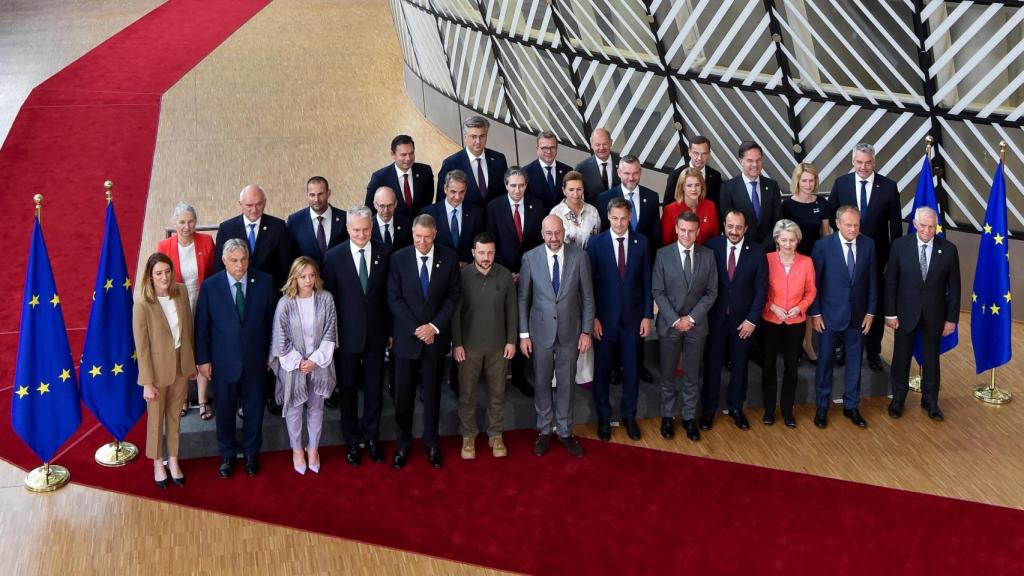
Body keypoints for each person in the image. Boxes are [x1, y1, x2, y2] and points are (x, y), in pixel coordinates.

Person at [195, 239, 275, 478]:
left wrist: (271, 355)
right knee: (225, 409)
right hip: (222, 362)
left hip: (255, 360)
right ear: (223, 261)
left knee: (254, 409)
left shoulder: (265, 282)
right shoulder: (210, 286)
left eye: (243, 259)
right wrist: (203, 360)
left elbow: (271, 323)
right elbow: (202, 327)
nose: (240, 265)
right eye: (234, 261)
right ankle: (227, 454)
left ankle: (251, 452)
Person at [387, 214, 462, 469]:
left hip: (434, 340)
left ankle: (431, 443)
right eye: (418, 237)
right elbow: (394, 298)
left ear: (435, 235)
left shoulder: (449, 258)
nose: (422, 242)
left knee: (431, 395)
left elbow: (453, 298)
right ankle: (403, 444)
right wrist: (415, 328)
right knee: (403, 396)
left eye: (427, 237)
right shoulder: (399, 259)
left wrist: (433, 327)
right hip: (407, 340)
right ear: (412, 234)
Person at [214, 184, 294, 416]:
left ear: (265, 203)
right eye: (249, 205)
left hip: (266, 302)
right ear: (240, 205)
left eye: (258, 204)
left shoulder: (278, 227)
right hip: (235, 301)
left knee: (266, 346)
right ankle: (240, 400)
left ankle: (269, 395)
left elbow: (285, 268)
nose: (254, 209)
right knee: (240, 351)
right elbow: (219, 270)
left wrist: (279, 303)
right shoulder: (228, 228)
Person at [322, 206, 392, 466]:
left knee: (374, 390)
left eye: (365, 229)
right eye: (356, 230)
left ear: (372, 228)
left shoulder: (385, 253)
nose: (361, 234)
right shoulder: (334, 256)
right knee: (348, 389)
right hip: (346, 337)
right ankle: (351, 440)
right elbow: (328, 301)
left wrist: (391, 332)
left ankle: (372, 437)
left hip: (377, 335)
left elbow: (390, 296)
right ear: (347, 229)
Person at [519, 215, 594, 457]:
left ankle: (564, 431)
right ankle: (544, 430)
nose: (554, 238)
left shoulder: (579, 257)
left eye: (558, 233)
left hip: (570, 333)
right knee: (541, 382)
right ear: (542, 234)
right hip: (539, 333)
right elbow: (523, 299)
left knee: (566, 384)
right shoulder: (530, 258)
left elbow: (588, 297)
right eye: (549, 234)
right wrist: (523, 335)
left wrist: (586, 331)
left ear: (564, 232)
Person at [828, 143, 902, 372]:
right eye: (859, 162)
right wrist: (847, 232)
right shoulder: (841, 183)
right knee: (844, 301)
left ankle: (873, 352)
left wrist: (892, 259)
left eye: (867, 162)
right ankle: (840, 349)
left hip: (877, 258)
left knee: (875, 305)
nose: (863, 166)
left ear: (874, 162)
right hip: (845, 255)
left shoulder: (889, 187)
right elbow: (832, 217)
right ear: (853, 161)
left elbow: (896, 227)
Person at [587, 197, 653, 442]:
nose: (619, 223)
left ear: (630, 217)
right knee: (602, 371)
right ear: (608, 217)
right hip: (604, 321)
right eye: (614, 218)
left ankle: (629, 416)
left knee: (632, 370)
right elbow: (589, 286)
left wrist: (648, 315)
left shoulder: (642, 242)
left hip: (633, 321)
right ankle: (604, 418)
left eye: (624, 218)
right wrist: (592, 318)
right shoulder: (596, 244)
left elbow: (647, 281)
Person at [885, 207, 960, 422]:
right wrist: (890, 314)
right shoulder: (900, 246)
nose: (928, 230)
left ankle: (931, 402)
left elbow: (955, 288)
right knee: (901, 359)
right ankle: (898, 399)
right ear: (915, 225)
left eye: (932, 226)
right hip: (905, 314)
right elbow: (891, 282)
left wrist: (951, 319)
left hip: (935, 315)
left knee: (931, 361)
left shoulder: (948, 249)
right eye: (923, 226)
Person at [268, 257, 337, 475]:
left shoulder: (326, 299)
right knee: (295, 408)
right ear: (294, 278)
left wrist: (315, 360)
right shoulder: (285, 303)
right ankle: (297, 450)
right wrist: (299, 362)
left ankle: (313, 449)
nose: (307, 281)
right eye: (302, 276)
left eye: (311, 275)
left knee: (316, 408)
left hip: (319, 363)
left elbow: (330, 331)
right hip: (294, 365)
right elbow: (281, 338)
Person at [809, 205, 876, 429]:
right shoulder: (823, 246)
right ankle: (822, 406)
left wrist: (871, 311)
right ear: (838, 223)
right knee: (825, 362)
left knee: (855, 363)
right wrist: (816, 313)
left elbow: (873, 281)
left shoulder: (868, 244)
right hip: (828, 317)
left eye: (856, 225)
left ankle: (851, 406)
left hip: (857, 317)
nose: (853, 229)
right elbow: (814, 284)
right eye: (848, 225)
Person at [652, 212, 717, 442]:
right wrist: (675, 319)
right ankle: (668, 416)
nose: (687, 234)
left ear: (698, 231)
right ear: (676, 230)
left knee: (692, 375)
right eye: (683, 230)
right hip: (669, 326)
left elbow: (711, 293)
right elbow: (657, 291)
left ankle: (689, 418)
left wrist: (691, 319)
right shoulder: (662, 255)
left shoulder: (708, 256)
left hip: (696, 326)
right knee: (668, 375)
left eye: (692, 230)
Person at [133, 253, 196, 488]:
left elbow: (188, 329)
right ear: (150, 276)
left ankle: (173, 460)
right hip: (157, 371)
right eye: (158, 273)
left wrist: (190, 362)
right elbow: (142, 347)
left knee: (175, 417)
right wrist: (147, 382)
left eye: (167, 271)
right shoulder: (142, 304)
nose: (164, 277)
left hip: (180, 365)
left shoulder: (181, 292)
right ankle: (158, 463)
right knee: (156, 419)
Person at [452, 233, 517, 459]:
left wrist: (511, 341)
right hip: (468, 348)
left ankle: (495, 434)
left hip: (499, 347)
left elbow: (512, 311)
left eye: (490, 252)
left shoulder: (505, 275)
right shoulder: (462, 276)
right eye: (481, 252)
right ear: (473, 253)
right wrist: (457, 344)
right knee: (467, 393)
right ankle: (468, 436)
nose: (486, 257)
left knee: (498, 393)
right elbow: (455, 314)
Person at [702, 210, 768, 431]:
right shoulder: (712, 246)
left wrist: (752, 320)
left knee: (740, 366)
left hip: (743, 322)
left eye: (739, 227)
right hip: (715, 318)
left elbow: (761, 290)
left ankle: (736, 408)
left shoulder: (757, 251)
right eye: (730, 226)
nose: (734, 231)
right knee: (712, 365)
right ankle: (709, 409)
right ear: (724, 225)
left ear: (745, 229)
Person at [486, 166, 544, 397]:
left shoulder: (537, 206)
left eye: (521, 185)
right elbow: (490, 240)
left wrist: (524, 271)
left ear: (526, 186)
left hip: (530, 276)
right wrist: (506, 270)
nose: (517, 190)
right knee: (500, 325)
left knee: (523, 325)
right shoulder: (494, 207)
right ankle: (498, 376)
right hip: (501, 275)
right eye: (513, 185)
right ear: (506, 185)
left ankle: (519, 376)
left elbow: (539, 242)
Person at [156, 202, 214, 421]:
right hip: (175, 304)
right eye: (181, 222)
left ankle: (202, 399)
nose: (186, 226)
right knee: (180, 349)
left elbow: (212, 273)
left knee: (201, 347)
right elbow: (159, 276)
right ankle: (181, 399)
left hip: (202, 301)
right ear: (175, 223)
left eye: (190, 221)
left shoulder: (206, 241)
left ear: (196, 222)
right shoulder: (164, 246)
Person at [760, 220, 816, 428]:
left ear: (797, 240)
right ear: (777, 240)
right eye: (784, 240)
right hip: (770, 320)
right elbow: (760, 289)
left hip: (795, 322)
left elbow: (811, 291)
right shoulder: (766, 260)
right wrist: (771, 306)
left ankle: (786, 410)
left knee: (792, 367)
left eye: (792, 240)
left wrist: (800, 307)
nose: (788, 244)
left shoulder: (806, 262)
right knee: (768, 366)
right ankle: (768, 409)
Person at [549, 170, 601, 387]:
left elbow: (597, 241)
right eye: (571, 189)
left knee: (585, 320)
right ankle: (558, 376)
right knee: (564, 324)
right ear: (563, 190)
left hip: (589, 271)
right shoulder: (556, 213)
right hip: (565, 274)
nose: (576, 193)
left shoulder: (593, 212)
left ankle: (584, 374)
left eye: (579, 189)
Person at [782, 163, 830, 362]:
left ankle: (808, 344)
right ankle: (791, 345)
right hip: (793, 260)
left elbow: (826, 234)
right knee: (792, 300)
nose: (808, 184)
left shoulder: (822, 202)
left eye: (812, 180)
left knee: (810, 303)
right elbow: (783, 236)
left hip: (815, 260)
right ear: (797, 182)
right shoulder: (787, 205)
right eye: (805, 181)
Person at [436, 115, 508, 207]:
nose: (478, 141)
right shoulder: (451, 164)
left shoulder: (499, 159)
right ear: (465, 137)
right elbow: (441, 202)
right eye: (473, 137)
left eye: (482, 136)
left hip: (494, 220)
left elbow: (504, 195)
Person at [719, 141, 782, 245]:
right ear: (741, 161)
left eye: (758, 160)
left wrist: (764, 247)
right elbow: (726, 224)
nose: (755, 165)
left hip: (768, 249)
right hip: (742, 250)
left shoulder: (772, 186)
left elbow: (778, 221)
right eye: (750, 161)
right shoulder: (728, 188)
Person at [365, 134, 435, 217]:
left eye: (411, 153)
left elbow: (428, 203)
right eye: (403, 155)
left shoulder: (426, 172)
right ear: (393, 154)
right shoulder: (379, 178)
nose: (408, 158)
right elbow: (369, 210)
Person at [424, 170, 484, 265]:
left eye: (462, 192)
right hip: (440, 269)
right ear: (445, 189)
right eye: (453, 192)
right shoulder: (428, 213)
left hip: (469, 270)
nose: (457, 197)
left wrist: (469, 263)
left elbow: (480, 243)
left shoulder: (477, 213)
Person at [287, 176, 348, 267]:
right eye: (312, 195)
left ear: (328, 193)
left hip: (339, 278)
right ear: (306, 195)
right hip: (309, 279)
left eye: (320, 194)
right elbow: (290, 255)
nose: (316, 199)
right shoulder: (295, 221)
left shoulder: (345, 218)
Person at [661, 167, 719, 246]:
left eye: (697, 185)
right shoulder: (670, 210)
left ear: (702, 186)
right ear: (682, 187)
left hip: (705, 256)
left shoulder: (710, 206)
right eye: (689, 185)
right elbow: (665, 242)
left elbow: (715, 238)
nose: (694, 189)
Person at [662, 136, 724, 208]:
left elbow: (717, 205)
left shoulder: (715, 175)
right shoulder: (676, 175)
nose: (700, 158)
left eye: (704, 153)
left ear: (709, 153)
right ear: (689, 152)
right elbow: (667, 207)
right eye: (696, 153)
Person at [523, 130, 572, 213]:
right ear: (537, 149)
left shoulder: (567, 171)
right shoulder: (526, 173)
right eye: (544, 148)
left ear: (557, 149)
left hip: (564, 223)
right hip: (539, 223)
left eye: (552, 147)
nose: (549, 151)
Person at [575, 127, 619, 204]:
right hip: (594, 214)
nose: (601, 148)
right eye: (597, 144)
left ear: (611, 142)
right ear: (591, 145)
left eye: (605, 144)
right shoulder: (582, 168)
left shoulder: (623, 163)